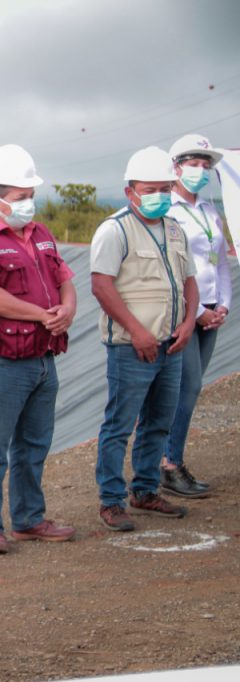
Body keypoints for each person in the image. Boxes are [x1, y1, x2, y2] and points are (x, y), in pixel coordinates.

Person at [0, 145, 77, 554]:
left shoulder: (41, 234)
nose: (29, 203)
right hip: (0, 361)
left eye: (30, 195)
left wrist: (67, 310)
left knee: (35, 444)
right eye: (22, 196)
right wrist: (44, 315)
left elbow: (64, 278)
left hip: (42, 358)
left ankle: (28, 518)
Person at [90, 146, 198, 532]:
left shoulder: (174, 228)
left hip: (171, 344)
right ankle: (112, 500)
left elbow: (188, 281)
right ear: (130, 191)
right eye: (150, 189)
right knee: (119, 424)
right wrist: (137, 331)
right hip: (130, 347)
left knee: (158, 422)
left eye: (165, 188)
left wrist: (188, 322)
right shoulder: (114, 230)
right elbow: (101, 285)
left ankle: (146, 489)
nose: (160, 196)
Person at [161, 134, 230, 498]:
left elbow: (219, 262)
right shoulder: (168, 210)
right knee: (185, 389)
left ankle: (168, 460)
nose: (200, 171)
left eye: (206, 166)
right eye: (194, 164)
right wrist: (198, 311)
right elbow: (173, 268)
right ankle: (168, 464)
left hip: (210, 313)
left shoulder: (209, 210)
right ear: (176, 168)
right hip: (184, 313)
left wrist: (223, 306)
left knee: (191, 387)